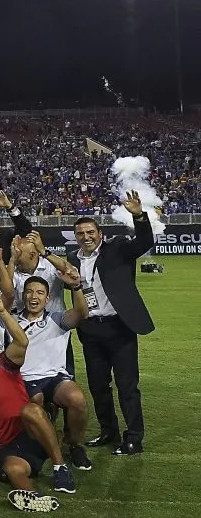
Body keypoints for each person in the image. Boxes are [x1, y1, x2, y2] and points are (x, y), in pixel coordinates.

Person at [0, 294, 74, 512]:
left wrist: (2, 312)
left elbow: (22, 341)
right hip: (8, 446)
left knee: (30, 410)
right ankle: (33, 497)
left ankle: (60, 467)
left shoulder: (2, 363)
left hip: (32, 433)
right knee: (12, 469)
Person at [67, 191, 154, 456]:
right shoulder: (72, 259)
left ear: (100, 233)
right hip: (90, 329)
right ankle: (109, 431)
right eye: (81, 234)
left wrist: (138, 216)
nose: (86, 237)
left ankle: (134, 437)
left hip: (120, 327)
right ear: (76, 237)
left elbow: (144, 242)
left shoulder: (117, 248)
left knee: (127, 385)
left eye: (90, 232)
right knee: (98, 385)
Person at [18, 274, 93, 471]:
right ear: (23, 295)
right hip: (25, 379)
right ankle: (43, 447)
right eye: (30, 291)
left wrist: (76, 287)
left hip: (55, 378)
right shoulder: (12, 320)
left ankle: (75, 445)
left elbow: (81, 313)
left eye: (40, 293)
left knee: (77, 399)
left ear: (47, 299)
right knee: (37, 400)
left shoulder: (57, 319)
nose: (34, 296)